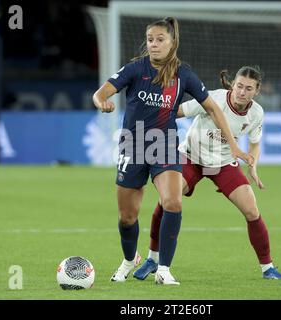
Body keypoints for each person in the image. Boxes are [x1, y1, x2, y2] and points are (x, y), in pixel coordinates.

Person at [93, 18, 253, 285]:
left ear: (172, 42)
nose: (153, 44)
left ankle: (164, 269)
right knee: (127, 217)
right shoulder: (135, 69)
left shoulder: (184, 75)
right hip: (132, 145)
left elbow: (213, 108)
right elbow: (100, 93)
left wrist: (234, 145)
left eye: (159, 39)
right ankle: (128, 260)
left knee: (173, 202)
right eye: (150, 39)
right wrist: (102, 103)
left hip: (163, 145)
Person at [133, 66, 281, 281]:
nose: (242, 92)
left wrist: (253, 165)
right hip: (191, 157)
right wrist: (152, 113)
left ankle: (268, 268)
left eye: (248, 88)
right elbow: (176, 111)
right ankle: (153, 258)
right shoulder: (212, 98)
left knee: (252, 211)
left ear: (257, 91)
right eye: (239, 86)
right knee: (168, 200)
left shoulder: (256, 113)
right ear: (233, 84)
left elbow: (254, 144)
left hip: (223, 164)